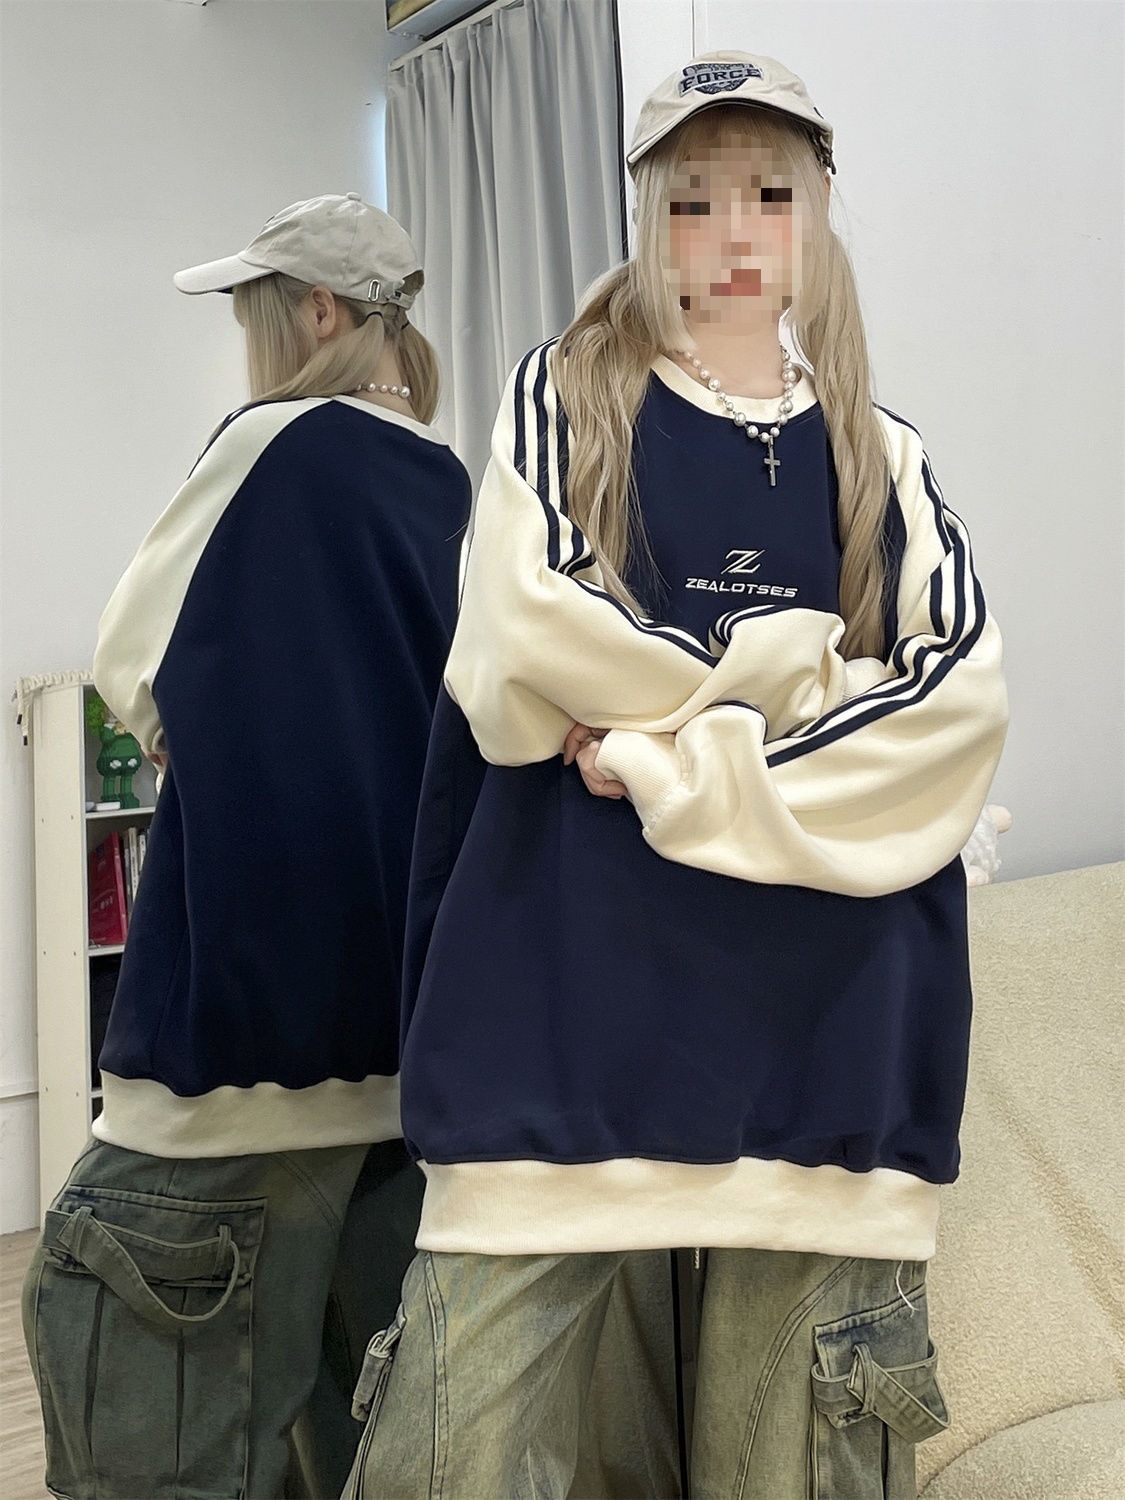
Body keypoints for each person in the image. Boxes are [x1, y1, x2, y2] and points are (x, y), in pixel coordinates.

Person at [343, 50, 1010, 1500]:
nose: (733, 233)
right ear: (647, 218)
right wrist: (806, 684)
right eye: (692, 199)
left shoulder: (880, 456)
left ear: (817, 211)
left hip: (829, 1056)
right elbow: (521, 645)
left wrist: (669, 757)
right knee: (448, 1462)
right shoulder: (562, 399)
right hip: (558, 1033)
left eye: (769, 193)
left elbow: (957, 708)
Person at [20, 193, 472, 1500]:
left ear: (316, 314)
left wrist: (198, 739)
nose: (248, 345)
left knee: (148, 1415)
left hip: (240, 1045)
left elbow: (132, 660)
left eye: (252, 317)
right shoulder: (448, 483)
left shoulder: (271, 441)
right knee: (357, 1440)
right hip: (402, 1057)